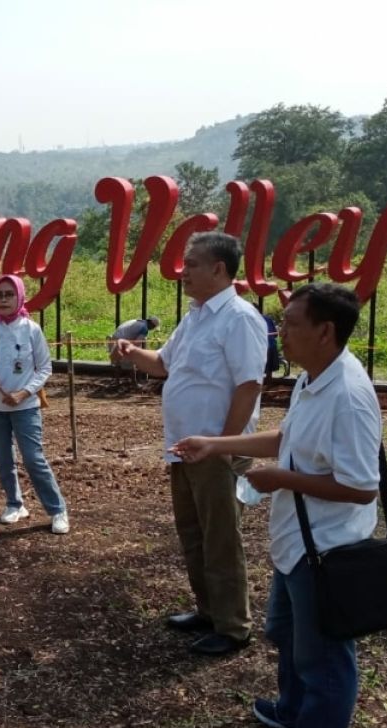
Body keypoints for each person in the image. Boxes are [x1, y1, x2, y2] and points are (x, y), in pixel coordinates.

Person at [172, 283, 380, 728]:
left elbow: (361, 487)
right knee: (286, 633)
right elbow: (286, 438)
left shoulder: (348, 395)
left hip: (327, 547)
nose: (279, 332)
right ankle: (292, 710)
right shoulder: (315, 379)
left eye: (289, 323)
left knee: (325, 656)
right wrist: (217, 444)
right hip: (296, 543)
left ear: (325, 331)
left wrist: (279, 478)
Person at [114, 232, 267, 656]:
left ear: (219, 269)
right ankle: (208, 611)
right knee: (194, 532)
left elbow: (250, 385)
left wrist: (223, 444)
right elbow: (163, 363)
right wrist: (132, 352)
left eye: (193, 263)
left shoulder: (239, 318)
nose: (184, 271)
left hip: (215, 450)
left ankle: (234, 626)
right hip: (183, 447)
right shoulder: (197, 316)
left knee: (221, 538)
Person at [0, 275, 70, 535]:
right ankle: (15, 504)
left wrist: (24, 393)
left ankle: (57, 509)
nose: (3, 299)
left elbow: (45, 367)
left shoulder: (31, 329)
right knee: (3, 460)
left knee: (33, 458)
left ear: (19, 297)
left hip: (25, 406)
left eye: (8, 294)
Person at [106, 316, 160, 384]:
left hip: (114, 338)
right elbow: (137, 343)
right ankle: (134, 383)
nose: (153, 329)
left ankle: (117, 381)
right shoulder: (144, 329)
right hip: (122, 341)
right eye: (154, 327)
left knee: (117, 362)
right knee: (131, 362)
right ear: (152, 325)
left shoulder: (136, 321)